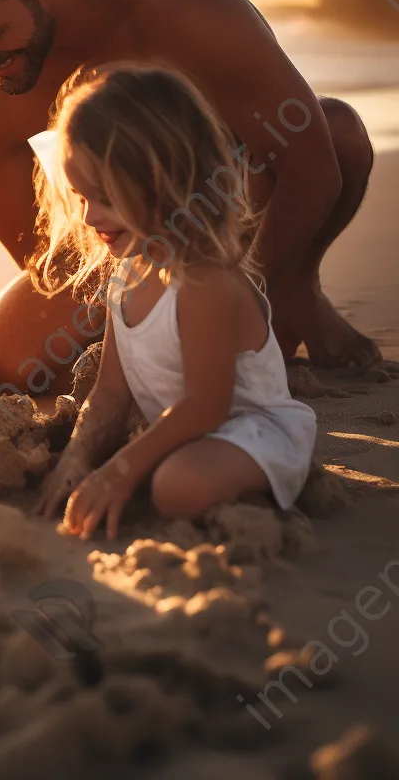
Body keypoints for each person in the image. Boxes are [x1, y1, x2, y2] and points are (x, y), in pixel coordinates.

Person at [0, 0, 379, 397]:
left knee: (338, 132)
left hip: (227, 207)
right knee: (7, 362)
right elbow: (48, 261)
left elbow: (311, 164)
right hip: (114, 237)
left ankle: (295, 289)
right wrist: (142, 317)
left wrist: (238, 298)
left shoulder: (180, 6)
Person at [32, 64, 317, 537]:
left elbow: (207, 405)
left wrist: (121, 470)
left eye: (102, 196)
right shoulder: (125, 279)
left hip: (250, 432)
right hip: (188, 434)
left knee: (175, 487)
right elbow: (111, 393)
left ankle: (282, 477)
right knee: (149, 471)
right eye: (80, 197)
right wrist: (78, 457)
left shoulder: (204, 283)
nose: (87, 216)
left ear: (166, 179)